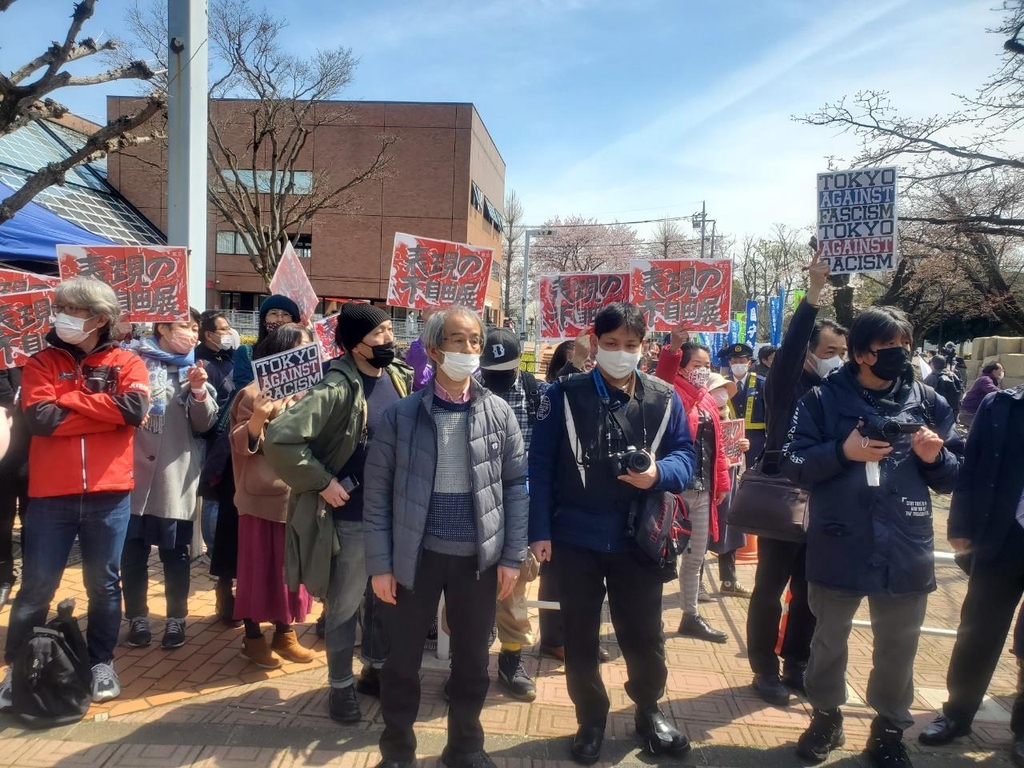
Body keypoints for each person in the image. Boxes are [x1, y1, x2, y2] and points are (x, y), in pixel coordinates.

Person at [782, 306, 962, 766]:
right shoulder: (821, 401)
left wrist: (933, 459)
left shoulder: (928, 400)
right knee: (829, 640)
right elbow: (793, 464)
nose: (900, 355)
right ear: (861, 353)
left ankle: (888, 729)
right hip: (839, 539)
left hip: (905, 542)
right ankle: (826, 716)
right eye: (888, 348)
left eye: (905, 346)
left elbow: (953, 475)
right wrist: (843, 451)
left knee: (899, 645)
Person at [529, 302, 696, 765]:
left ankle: (649, 708)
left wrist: (659, 472)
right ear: (594, 342)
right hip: (575, 535)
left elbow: (686, 455)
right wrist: (539, 530)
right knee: (579, 635)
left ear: (644, 347)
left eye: (631, 345)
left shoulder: (664, 396)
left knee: (644, 633)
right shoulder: (562, 394)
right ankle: (591, 717)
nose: (621, 353)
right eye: (611, 344)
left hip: (639, 537)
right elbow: (539, 465)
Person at [363, 305, 527, 768]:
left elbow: (517, 487)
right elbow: (376, 496)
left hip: (478, 560)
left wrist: (512, 556)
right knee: (401, 663)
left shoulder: (499, 413)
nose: (470, 350)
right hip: (415, 558)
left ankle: (465, 747)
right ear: (434, 350)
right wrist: (380, 565)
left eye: (475, 341)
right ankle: (397, 750)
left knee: (474, 662)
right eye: (459, 341)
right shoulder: (401, 416)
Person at [0, 277, 150, 706]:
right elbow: (41, 420)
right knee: (36, 588)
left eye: (72, 308)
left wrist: (70, 399)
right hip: (50, 496)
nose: (60, 314)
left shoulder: (128, 361)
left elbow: (134, 411)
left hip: (110, 494)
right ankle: (18, 668)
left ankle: (102, 662)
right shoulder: (39, 363)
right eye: (59, 306)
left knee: (104, 585)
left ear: (100, 317)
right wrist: (103, 410)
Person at [265, 303, 412, 724]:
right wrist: (322, 482)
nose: (388, 339)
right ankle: (341, 687)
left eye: (389, 330)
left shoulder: (397, 377)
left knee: (386, 600)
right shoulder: (334, 387)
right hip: (352, 518)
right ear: (353, 342)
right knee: (345, 608)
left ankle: (375, 671)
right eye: (379, 333)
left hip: (390, 518)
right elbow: (280, 438)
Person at [746, 252, 840, 707]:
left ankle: (796, 663)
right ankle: (763, 667)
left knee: (809, 589)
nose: (836, 361)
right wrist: (814, 293)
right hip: (784, 498)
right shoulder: (784, 383)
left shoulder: (842, 393)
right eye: (828, 353)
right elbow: (794, 338)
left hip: (827, 499)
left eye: (843, 354)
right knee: (770, 585)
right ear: (806, 354)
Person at [917, 381, 1024, 765]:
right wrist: (959, 528)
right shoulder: (1001, 406)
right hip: (1002, 538)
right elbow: (972, 469)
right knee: (977, 632)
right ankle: (956, 714)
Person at [122, 310, 218, 650]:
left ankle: (176, 618)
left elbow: (205, 424)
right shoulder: (131, 361)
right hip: (131, 476)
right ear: (162, 328)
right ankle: (137, 617)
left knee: (175, 554)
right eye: (184, 327)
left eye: (195, 329)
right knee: (131, 552)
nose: (192, 335)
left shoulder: (194, 369)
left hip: (174, 478)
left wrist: (198, 391)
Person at [230, 324, 318, 669]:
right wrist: (258, 420)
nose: (304, 357)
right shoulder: (253, 394)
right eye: (298, 350)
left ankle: (286, 633)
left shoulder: (312, 394)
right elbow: (239, 442)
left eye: (309, 350)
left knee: (291, 571)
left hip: (298, 498)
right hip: (261, 499)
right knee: (257, 570)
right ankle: (252, 637)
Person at [214, 295, 301, 624]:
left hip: (291, 483)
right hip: (251, 470)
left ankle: (285, 627)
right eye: (273, 313)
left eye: (285, 314)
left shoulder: (307, 378)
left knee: (286, 559)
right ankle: (237, 606)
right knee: (244, 545)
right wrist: (267, 409)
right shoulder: (247, 356)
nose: (278, 318)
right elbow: (243, 401)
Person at [477, 328, 544, 701]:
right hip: (472, 506)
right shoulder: (467, 387)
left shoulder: (537, 395)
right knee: (467, 591)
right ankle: (466, 664)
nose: (496, 379)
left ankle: (511, 659)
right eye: (491, 370)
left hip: (520, 508)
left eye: (504, 370)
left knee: (514, 588)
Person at [655, 331, 731, 643]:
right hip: (675, 491)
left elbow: (719, 447)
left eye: (708, 363)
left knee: (696, 557)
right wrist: (673, 348)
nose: (705, 369)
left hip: (704, 490)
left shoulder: (709, 401)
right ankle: (651, 619)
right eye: (697, 364)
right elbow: (663, 373)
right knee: (664, 556)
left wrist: (722, 481)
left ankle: (690, 614)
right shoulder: (669, 393)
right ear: (682, 367)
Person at [705, 371, 751, 597]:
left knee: (729, 530)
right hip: (706, 483)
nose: (722, 394)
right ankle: (697, 584)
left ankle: (729, 580)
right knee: (701, 532)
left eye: (725, 389)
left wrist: (742, 445)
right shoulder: (698, 416)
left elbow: (736, 454)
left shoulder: (729, 417)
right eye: (717, 389)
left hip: (729, 481)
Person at [195, 310, 237, 558]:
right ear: (209, 334)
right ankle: (211, 549)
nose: (230, 333)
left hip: (229, 435)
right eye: (224, 329)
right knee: (212, 493)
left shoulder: (230, 358)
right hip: (211, 435)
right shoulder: (200, 362)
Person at [0, 367, 28, 609]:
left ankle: (33, 573)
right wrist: (6, 400)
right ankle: (3, 576)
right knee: (2, 516)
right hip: (3, 438)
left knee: (32, 515)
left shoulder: (43, 342)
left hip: (33, 441)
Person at [720, 342, 766, 462]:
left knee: (754, 469)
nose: (738, 365)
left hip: (756, 435)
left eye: (742, 362)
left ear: (749, 363)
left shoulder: (761, 383)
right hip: (729, 434)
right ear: (730, 363)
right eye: (735, 361)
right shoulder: (722, 383)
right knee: (732, 468)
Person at [959, 362, 1003, 429]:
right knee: (984, 431)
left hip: (973, 412)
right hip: (969, 413)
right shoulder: (985, 379)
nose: (1002, 373)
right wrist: (1007, 393)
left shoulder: (987, 379)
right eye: (1000, 370)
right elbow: (993, 390)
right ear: (994, 371)